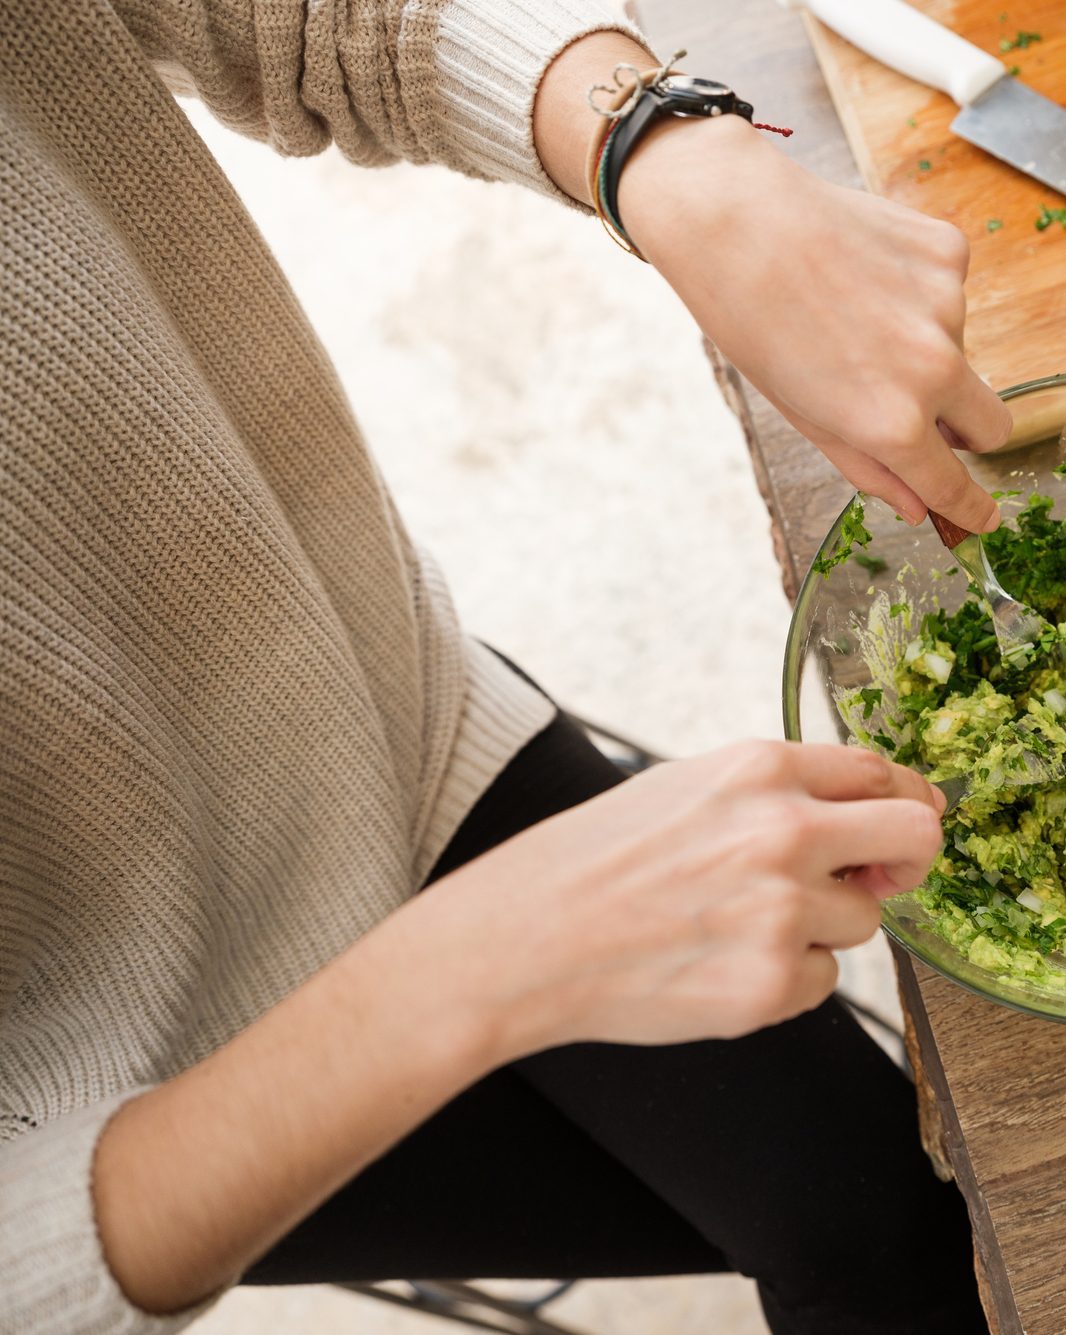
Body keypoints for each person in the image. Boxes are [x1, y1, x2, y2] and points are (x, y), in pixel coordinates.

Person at [0, 2, 1005, 1331]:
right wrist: (479, 967)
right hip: (119, 1090)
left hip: (376, 715)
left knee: (889, 1206)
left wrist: (657, 147)